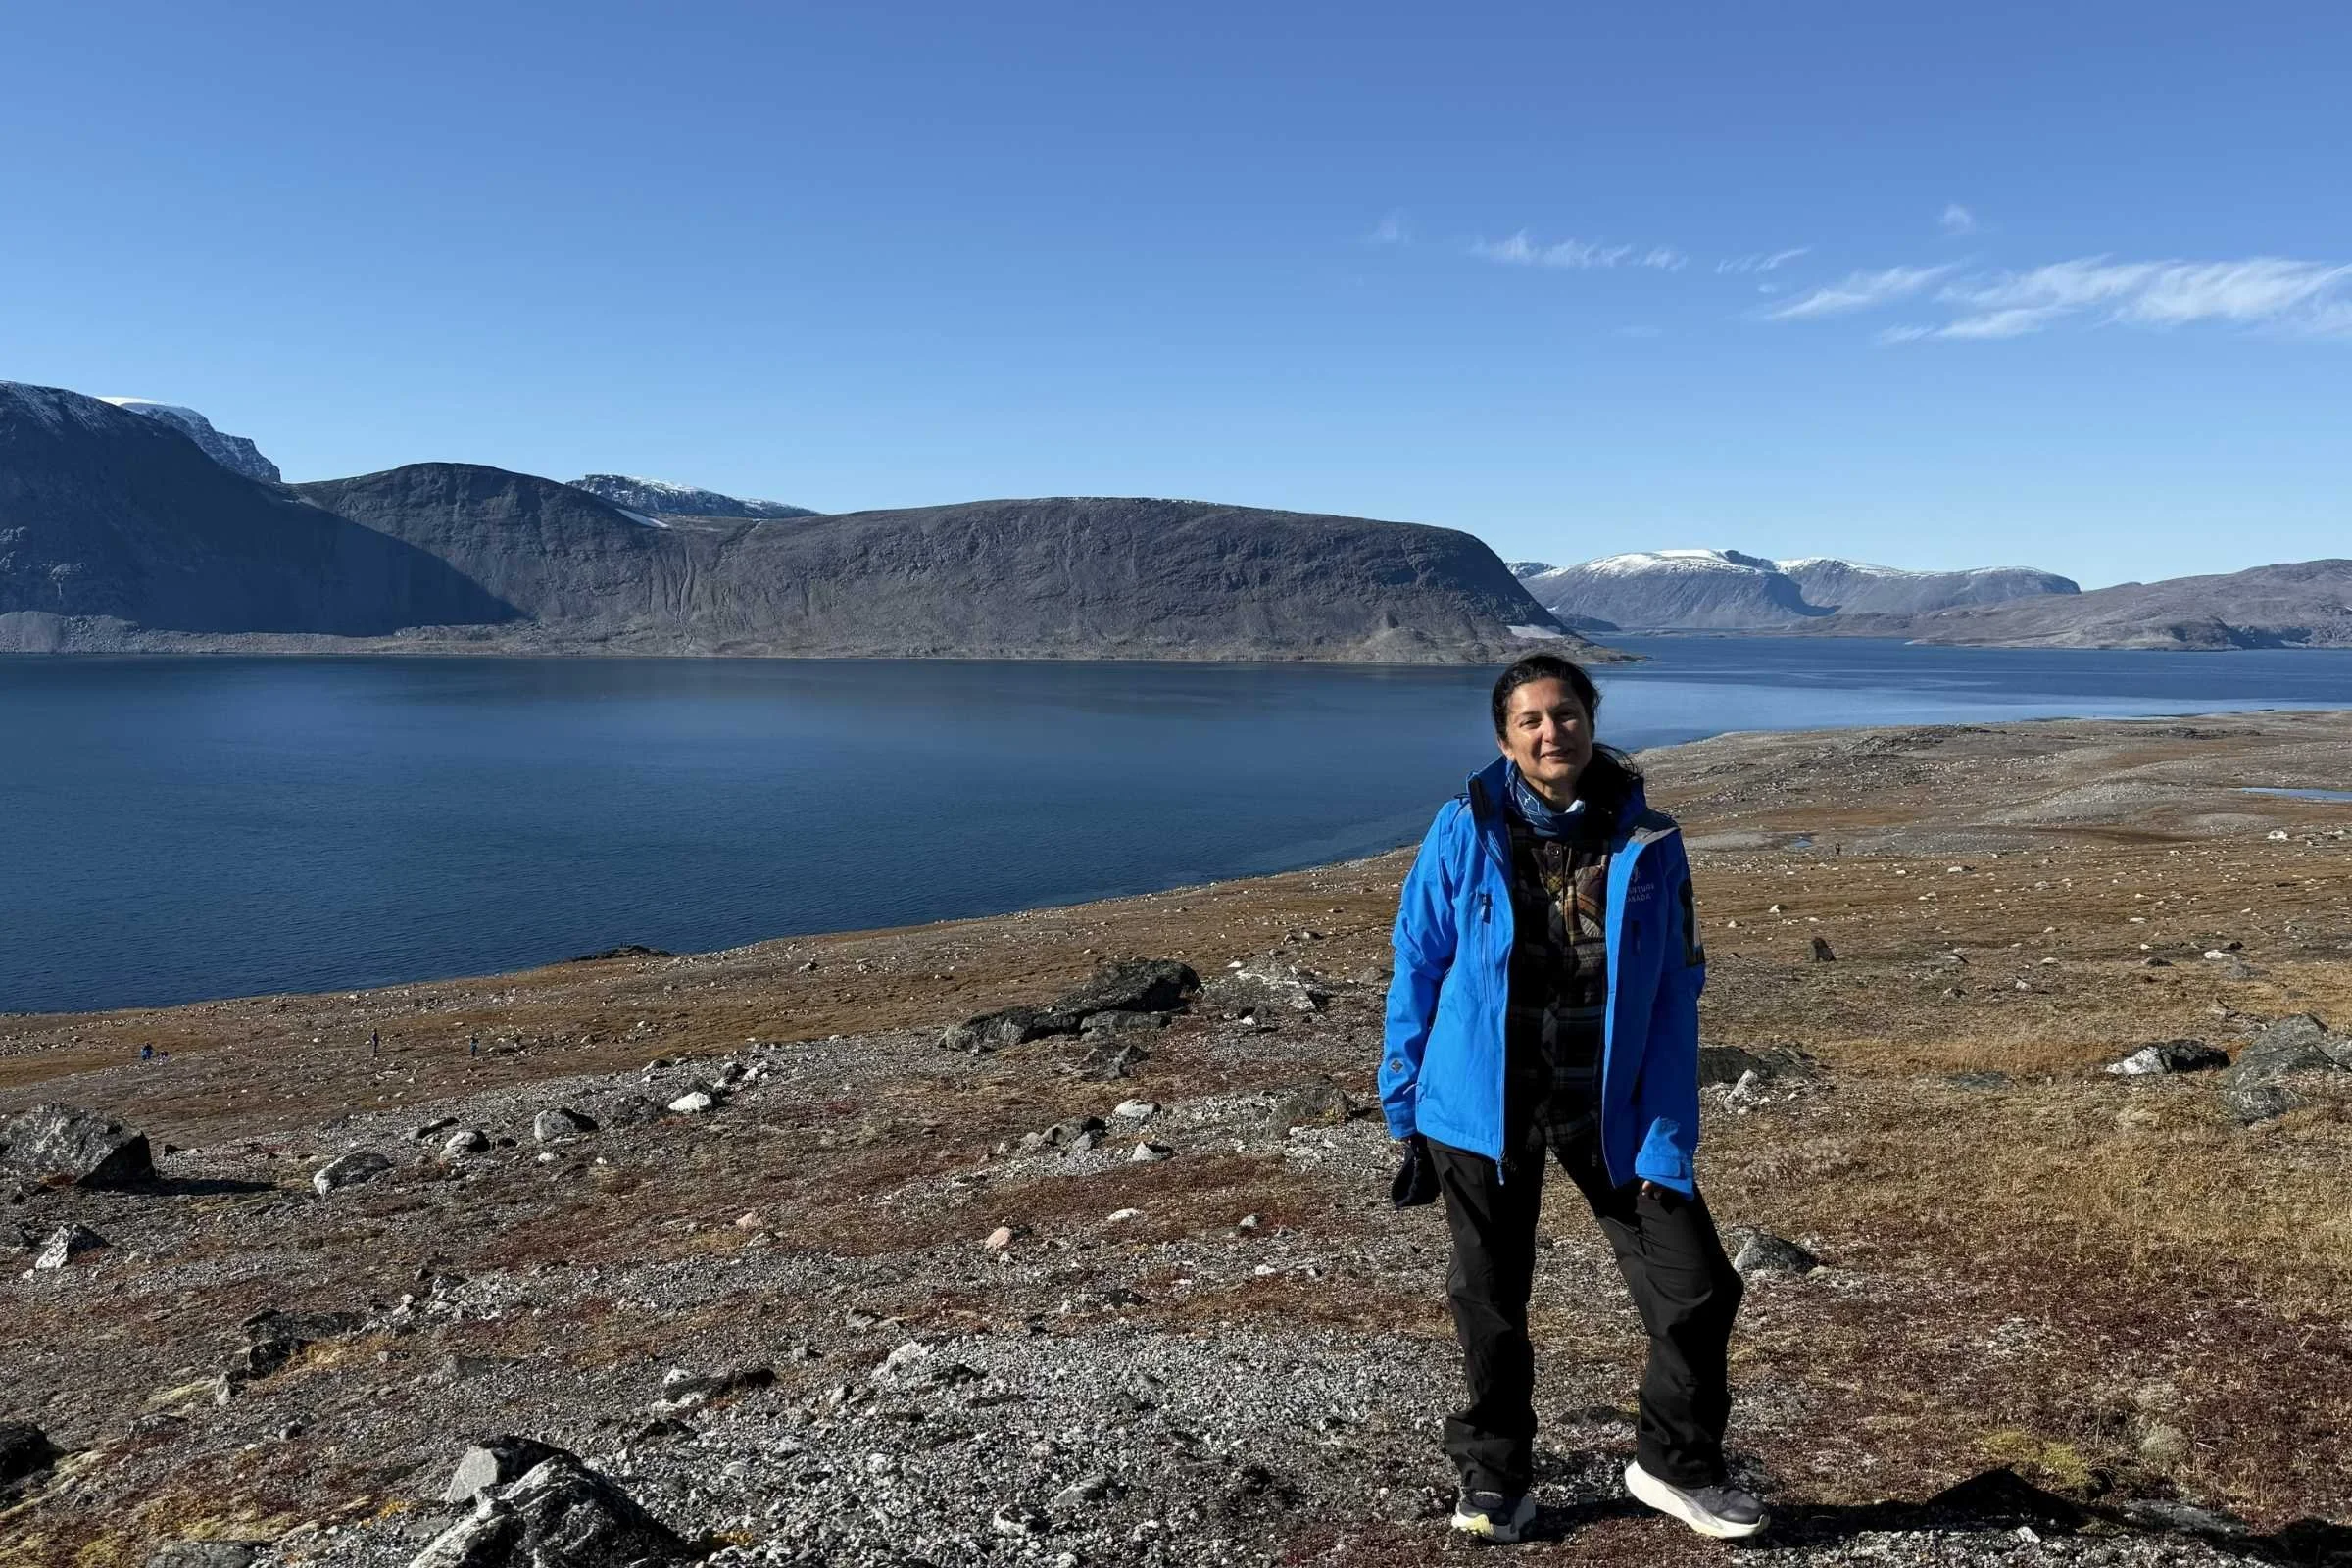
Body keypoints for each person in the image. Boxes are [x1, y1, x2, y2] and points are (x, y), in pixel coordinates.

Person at [1381, 653, 1764, 1544]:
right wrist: (1404, 1104)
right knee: (1490, 1296)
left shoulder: (1651, 843)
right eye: (1530, 721)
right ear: (1505, 737)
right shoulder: (1462, 831)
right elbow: (1419, 966)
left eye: (1566, 714)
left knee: (1698, 1288)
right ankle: (1495, 1477)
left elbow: (1675, 995)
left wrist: (1670, 1135)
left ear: (1591, 718)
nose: (1551, 733)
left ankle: (1675, 1463)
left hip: (1612, 1107)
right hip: (1483, 1108)